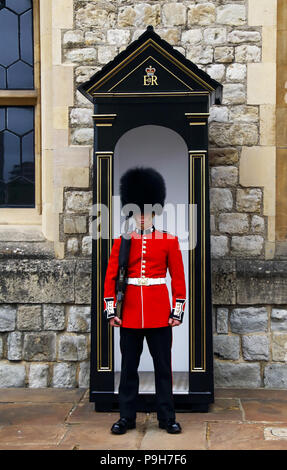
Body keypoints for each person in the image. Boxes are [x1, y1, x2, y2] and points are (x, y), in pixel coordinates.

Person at [103, 166, 187, 434]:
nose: (142, 217)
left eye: (147, 212)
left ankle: (166, 417)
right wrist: (110, 310)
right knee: (128, 369)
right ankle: (126, 417)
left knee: (163, 368)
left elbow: (178, 280)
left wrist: (177, 311)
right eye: (137, 212)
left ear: (155, 212)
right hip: (128, 313)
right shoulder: (122, 242)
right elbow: (111, 277)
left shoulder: (169, 241)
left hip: (159, 313)